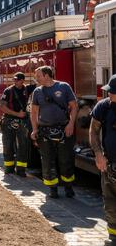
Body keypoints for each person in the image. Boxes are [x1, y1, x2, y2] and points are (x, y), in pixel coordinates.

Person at [30, 66, 78, 199]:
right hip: (45, 131)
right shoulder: (37, 92)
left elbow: (74, 107)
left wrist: (71, 124)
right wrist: (34, 129)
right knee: (47, 161)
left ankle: (68, 187)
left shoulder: (64, 87)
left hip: (64, 129)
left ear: (46, 75)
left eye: (38, 75)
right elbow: (33, 112)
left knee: (66, 160)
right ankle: (53, 189)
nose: (36, 78)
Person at [89, 75, 116, 246]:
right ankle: (114, 237)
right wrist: (99, 154)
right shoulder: (104, 107)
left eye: (112, 92)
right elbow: (93, 131)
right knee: (111, 202)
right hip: (110, 164)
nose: (109, 95)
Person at [0, 73, 37, 177]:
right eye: (14, 79)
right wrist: (18, 114)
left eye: (17, 80)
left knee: (23, 146)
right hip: (9, 120)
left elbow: (39, 84)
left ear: (22, 81)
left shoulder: (28, 89)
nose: (15, 81)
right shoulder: (8, 91)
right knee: (8, 144)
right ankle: (9, 168)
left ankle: (21, 170)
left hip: (23, 122)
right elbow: (2, 106)